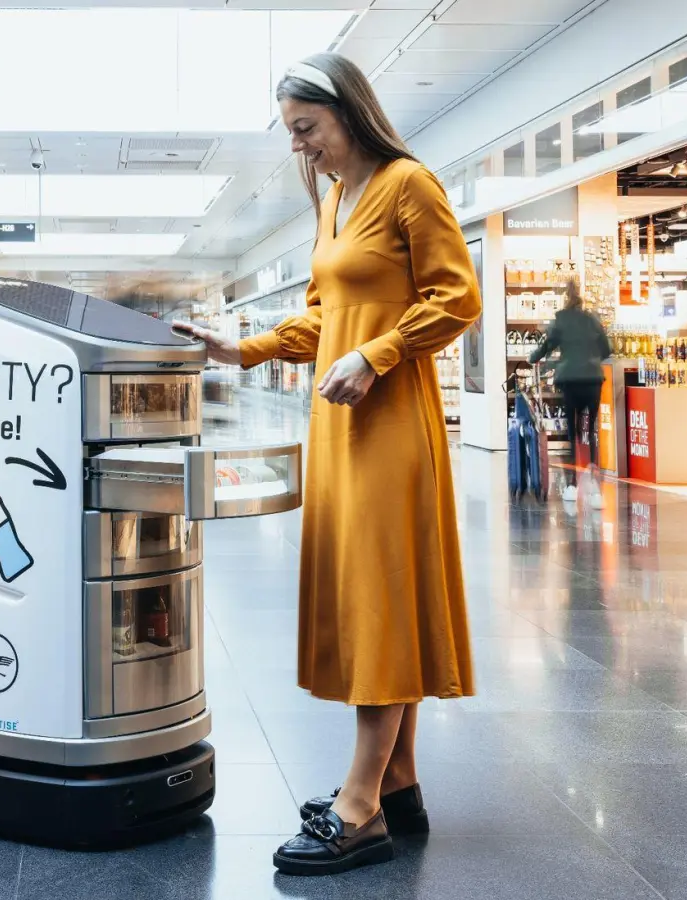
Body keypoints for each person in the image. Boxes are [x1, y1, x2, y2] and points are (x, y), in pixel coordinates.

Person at [175, 53, 479, 876]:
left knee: (380, 599)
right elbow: (324, 317)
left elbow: (458, 298)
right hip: (342, 426)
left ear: (348, 111)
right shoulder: (337, 202)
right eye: (292, 136)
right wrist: (245, 349)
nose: (301, 148)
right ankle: (400, 784)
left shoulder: (407, 185)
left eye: (307, 129)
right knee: (372, 593)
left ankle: (359, 808)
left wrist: (378, 355)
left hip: (389, 427)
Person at [528, 278, 611, 508]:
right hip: (593, 380)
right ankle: (595, 489)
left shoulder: (561, 320)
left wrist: (533, 358)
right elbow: (607, 349)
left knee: (573, 433)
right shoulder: (592, 320)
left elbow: (547, 345)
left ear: (565, 296)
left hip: (571, 380)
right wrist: (591, 361)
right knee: (591, 430)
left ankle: (573, 485)